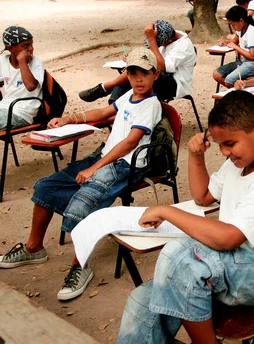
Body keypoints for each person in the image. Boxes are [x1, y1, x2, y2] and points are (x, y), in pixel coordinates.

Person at [117, 91, 254, 343]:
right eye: (220, 145)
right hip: (239, 256)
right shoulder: (240, 161)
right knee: (141, 301)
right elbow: (203, 196)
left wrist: (166, 210)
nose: (224, 153)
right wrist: (196, 156)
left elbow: (227, 239)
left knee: (182, 260)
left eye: (230, 144)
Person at [0, 48, 162, 301]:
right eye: (132, 73)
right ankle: (34, 248)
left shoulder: (151, 105)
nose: (138, 79)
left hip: (124, 165)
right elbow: (105, 113)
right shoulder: (130, 95)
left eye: (144, 73)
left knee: (82, 204)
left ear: (156, 74)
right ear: (127, 75)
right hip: (105, 157)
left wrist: (94, 168)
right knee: (45, 186)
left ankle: (80, 267)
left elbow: (130, 143)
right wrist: (70, 119)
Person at [79, 20, 196, 103]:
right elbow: (151, 55)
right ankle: (113, 105)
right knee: (133, 72)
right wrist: (133, 58)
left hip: (174, 85)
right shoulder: (166, 33)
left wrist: (152, 40)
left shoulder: (184, 46)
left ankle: (106, 87)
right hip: (157, 76)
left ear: (169, 40)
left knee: (140, 71)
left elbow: (163, 66)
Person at [0, 26, 44, 130]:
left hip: (22, 112)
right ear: (10, 48)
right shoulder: (3, 61)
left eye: (31, 44)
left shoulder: (36, 62)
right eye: (25, 46)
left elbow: (31, 86)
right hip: (4, 107)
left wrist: (22, 61)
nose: (31, 48)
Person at [212, 6, 254, 88]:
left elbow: (252, 56)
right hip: (245, 61)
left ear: (241, 21)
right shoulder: (240, 29)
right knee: (217, 74)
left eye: (233, 25)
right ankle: (237, 91)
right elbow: (235, 41)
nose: (233, 28)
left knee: (229, 81)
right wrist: (225, 43)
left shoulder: (251, 32)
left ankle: (241, 95)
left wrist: (235, 47)